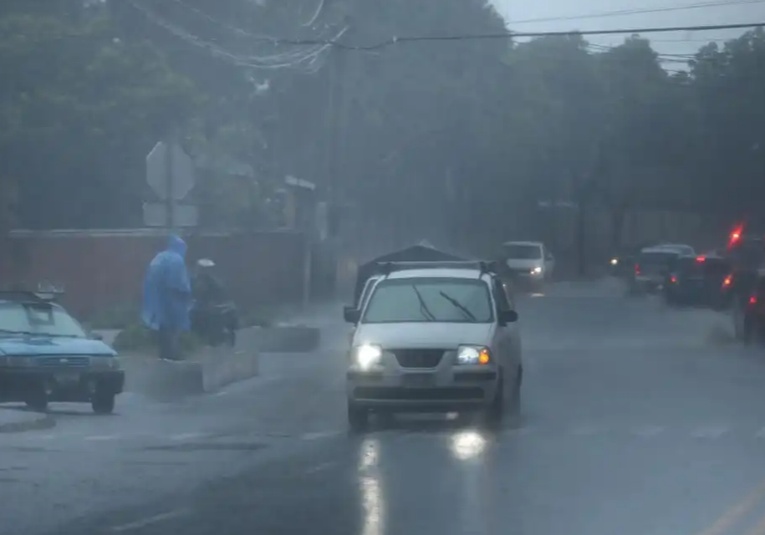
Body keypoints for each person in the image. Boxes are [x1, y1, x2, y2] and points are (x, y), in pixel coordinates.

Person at [141, 234, 192, 361]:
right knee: (173, 331)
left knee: (162, 331)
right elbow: (179, 284)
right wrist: (187, 297)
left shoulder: (158, 258)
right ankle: (173, 356)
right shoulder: (176, 260)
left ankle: (164, 356)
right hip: (172, 302)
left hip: (154, 302)